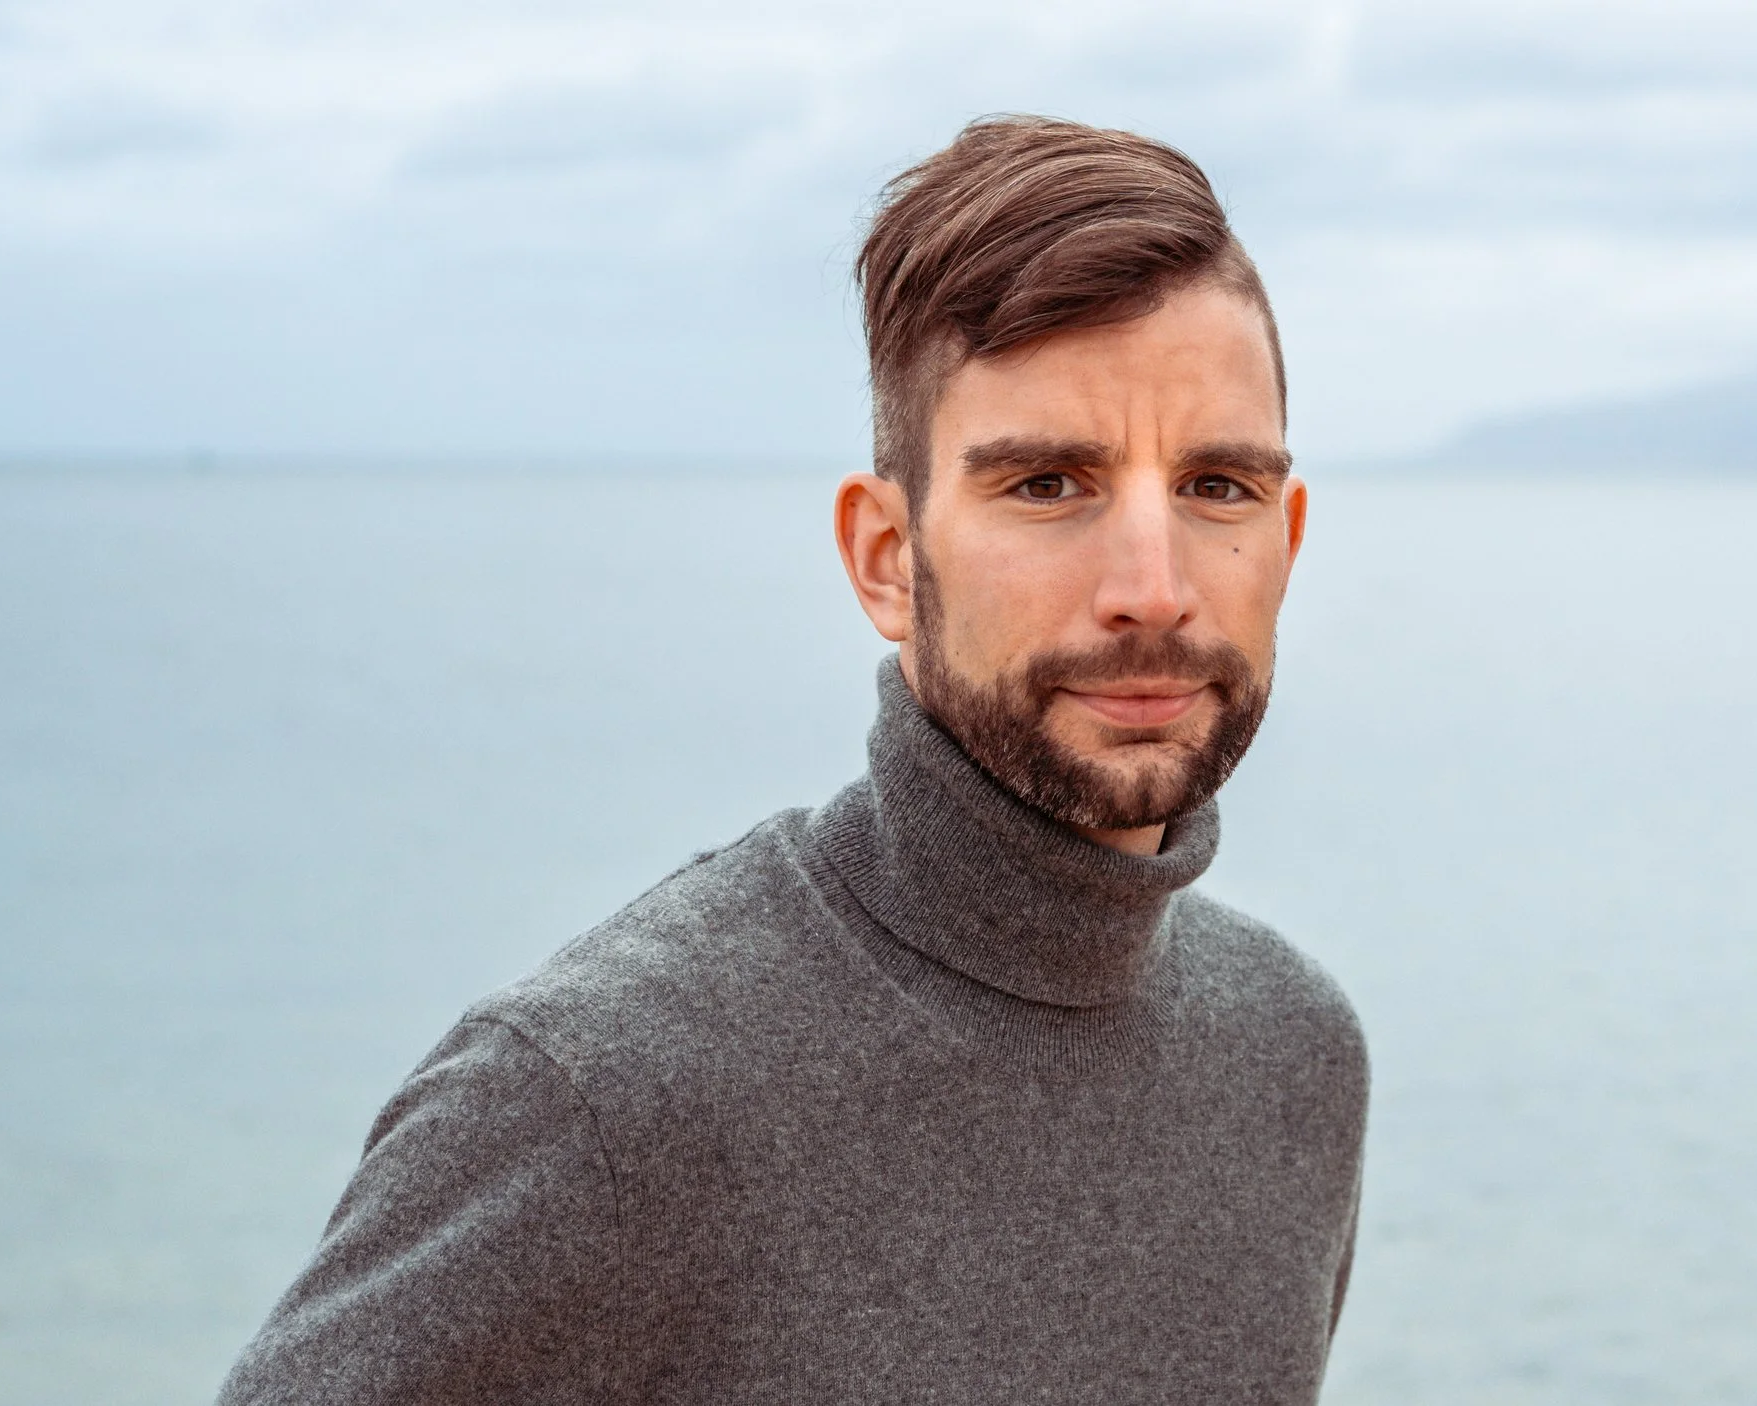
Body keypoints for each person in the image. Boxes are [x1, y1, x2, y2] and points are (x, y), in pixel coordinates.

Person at [218, 115, 1368, 1405]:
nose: (1153, 592)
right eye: (1047, 485)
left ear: (1291, 535)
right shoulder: (601, 1095)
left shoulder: (1296, 1059)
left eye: (1219, 487)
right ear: (886, 558)